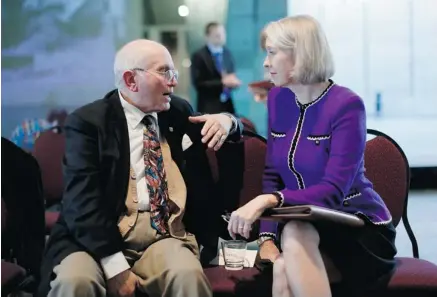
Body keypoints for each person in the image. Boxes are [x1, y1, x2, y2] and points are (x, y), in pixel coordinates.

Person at [37, 39, 243, 297]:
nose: (173, 81)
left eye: (173, 72)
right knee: (75, 282)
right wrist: (115, 268)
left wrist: (227, 120)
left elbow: (227, 129)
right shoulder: (89, 123)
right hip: (94, 240)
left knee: (187, 276)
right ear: (131, 80)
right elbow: (82, 203)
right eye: (164, 71)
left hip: (163, 236)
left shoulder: (177, 111)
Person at [226, 15, 397, 297]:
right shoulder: (278, 98)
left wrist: (268, 201)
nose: (265, 63)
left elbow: (332, 192)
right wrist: (267, 236)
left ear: (300, 55)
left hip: (358, 228)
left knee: (290, 248)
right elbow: (272, 175)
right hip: (304, 226)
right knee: (285, 256)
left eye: (272, 53)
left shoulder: (347, 105)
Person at [191, 22, 241, 114]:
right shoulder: (199, 56)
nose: (221, 37)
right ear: (207, 36)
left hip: (227, 106)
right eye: (217, 35)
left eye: (223, 34)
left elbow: (231, 74)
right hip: (208, 107)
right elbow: (198, 84)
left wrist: (233, 82)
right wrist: (222, 83)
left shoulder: (227, 53)